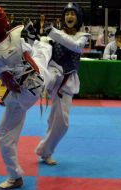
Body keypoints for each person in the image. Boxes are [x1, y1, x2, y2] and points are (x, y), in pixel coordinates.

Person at [0, 5, 52, 189]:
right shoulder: (17, 33)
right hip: (40, 77)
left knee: (4, 134)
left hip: (26, 92)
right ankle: (46, 40)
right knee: (43, 51)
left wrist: (9, 97)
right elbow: (30, 59)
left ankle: (14, 176)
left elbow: (11, 84)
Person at [34, 2, 90, 165]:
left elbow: (77, 47)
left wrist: (54, 33)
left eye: (73, 14)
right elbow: (42, 49)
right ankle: (45, 151)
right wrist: (34, 39)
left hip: (67, 81)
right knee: (60, 121)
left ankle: (45, 150)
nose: (69, 17)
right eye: (67, 14)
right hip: (52, 75)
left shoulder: (83, 36)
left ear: (78, 17)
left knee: (59, 122)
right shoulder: (53, 34)